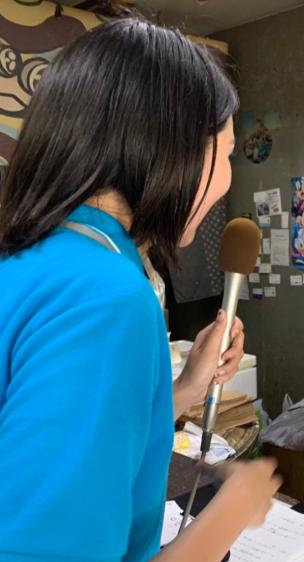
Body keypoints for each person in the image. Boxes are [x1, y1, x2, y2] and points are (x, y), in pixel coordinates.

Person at [0, 19, 281, 562]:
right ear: (170, 155)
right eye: (224, 154)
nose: (226, 178)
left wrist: (186, 387)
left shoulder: (39, 256)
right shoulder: (106, 299)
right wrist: (230, 512)